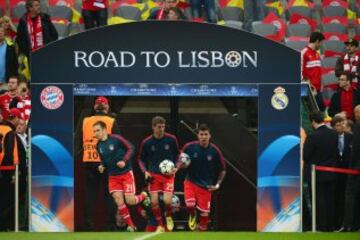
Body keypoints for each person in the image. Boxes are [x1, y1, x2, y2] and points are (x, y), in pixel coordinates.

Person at [93, 120, 148, 232]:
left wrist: (124, 160)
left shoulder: (116, 139)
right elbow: (103, 160)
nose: (96, 133)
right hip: (113, 177)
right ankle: (131, 226)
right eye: (94, 131)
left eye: (98, 130)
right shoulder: (98, 145)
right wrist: (101, 166)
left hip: (126, 174)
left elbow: (131, 148)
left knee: (130, 201)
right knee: (118, 201)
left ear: (104, 130)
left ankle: (144, 195)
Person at [75, 96, 120, 230]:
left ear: (95, 107)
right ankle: (110, 225)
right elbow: (119, 143)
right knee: (109, 195)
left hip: (90, 162)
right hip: (108, 163)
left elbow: (77, 141)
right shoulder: (111, 121)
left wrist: (77, 156)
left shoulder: (85, 121)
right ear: (106, 107)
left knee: (90, 196)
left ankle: (89, 225)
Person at [179, 124, 226, 231]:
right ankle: (192, 215)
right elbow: (180, 159)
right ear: (198, 136)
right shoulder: (189, 147)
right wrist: (179, 166)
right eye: (201, 134)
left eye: (206, 134)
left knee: (204, 222)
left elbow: (223, 169)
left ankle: (201, 230)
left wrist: (217, 184)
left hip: (206, 186)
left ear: (210, 136)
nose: (203, 137)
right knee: (190, 205)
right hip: (190, 181)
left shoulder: (215, 150)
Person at [137, 116, 179, 232]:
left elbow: (178, 155)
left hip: (168, 176)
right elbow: (140, 159)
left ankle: (168, 215)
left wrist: (176, 167)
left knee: (167, 201)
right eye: (159, 127)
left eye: (163, 127)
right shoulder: (147, 142)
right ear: (153, 127)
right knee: (154, 202)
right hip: (153, 176)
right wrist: (145, 171)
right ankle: (160, 225)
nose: (161, 129)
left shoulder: (171, 139)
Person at [303, 111, 339, 231]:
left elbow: (306, 155)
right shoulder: (334, 134)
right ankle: (331, 225)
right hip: (331, 172)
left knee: (319, 200)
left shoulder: (313, 136)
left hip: (316, 174)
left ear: (313, 122)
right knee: (330, 199)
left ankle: (321, 225)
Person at [0, 108, 22, 231]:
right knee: (7, 199)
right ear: (15, 118)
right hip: (5, 170)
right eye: (18, 118)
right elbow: (11, 153)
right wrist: (13, 172)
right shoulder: (9, 131)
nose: (19, 121)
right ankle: (3, 226)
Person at [339, 105, 360, 231]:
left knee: (351, 196)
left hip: (356, 169)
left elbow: (356, 148)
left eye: (355, 112)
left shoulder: (358, 127)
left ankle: (348, 225)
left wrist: (351, 166)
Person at [330, 115, 353, 229]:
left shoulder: (350, 137)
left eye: (343, 124)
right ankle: (336, 223)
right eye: (338, 125)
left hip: (348, 173)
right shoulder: (330, 138)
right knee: (336, 198)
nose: (341, 126)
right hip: (333, 173)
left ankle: (347, 223)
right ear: (333, 127)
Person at [301, 32, 325, 111]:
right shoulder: (304, 52)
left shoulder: (317, 54)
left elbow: (318, 71)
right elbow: (300, 71)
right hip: (309, 89)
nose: (321, 45)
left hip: (318, 89)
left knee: (321, 109)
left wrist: (321, 84)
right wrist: (308, 85)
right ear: (317, 41)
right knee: (311, 112)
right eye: (321, 42)